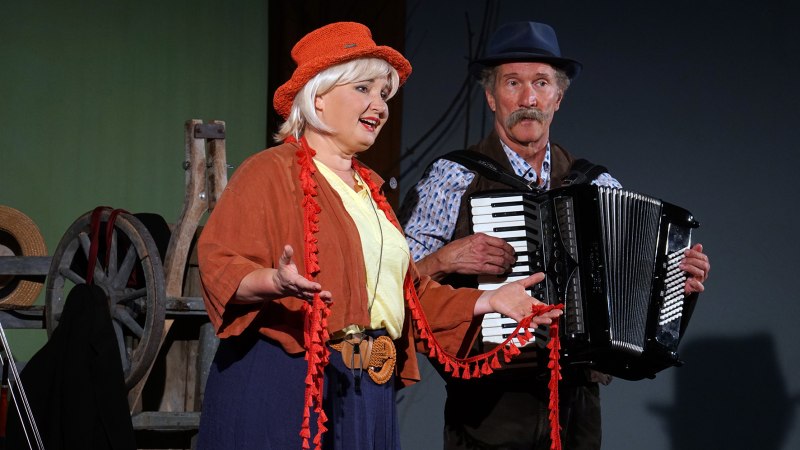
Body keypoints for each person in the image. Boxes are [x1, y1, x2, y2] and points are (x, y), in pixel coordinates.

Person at [195, 21, 562, 450]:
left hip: (367, 386)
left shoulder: (369, 189)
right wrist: (273, 282)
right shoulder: (271, 171)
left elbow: (409, 292)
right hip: (290, 378)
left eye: (384, 94)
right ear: (318, 96)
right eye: (364, 89)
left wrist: (490, 300)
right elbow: (221, 261)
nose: (380, 105)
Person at [400, 21, 711, 449]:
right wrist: (446, 259)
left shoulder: (598, 185)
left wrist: (680, 281)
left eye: (541, 83)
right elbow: (395, 280)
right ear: (491, 95)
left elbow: (639, 292)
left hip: (577, 403)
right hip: (488, 401)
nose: (528, 98)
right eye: (513, 83)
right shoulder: (454, 176)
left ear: (558, 98)